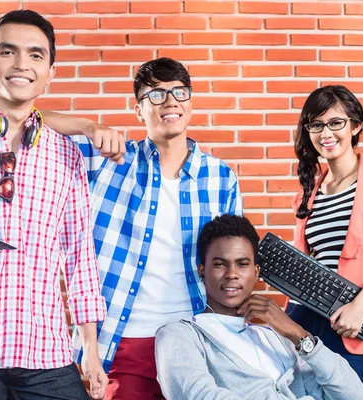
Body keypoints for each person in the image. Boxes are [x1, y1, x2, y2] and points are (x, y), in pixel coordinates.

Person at [42, 57, 242, 399]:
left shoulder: (221, 177)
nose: (170, 102)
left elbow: (231, 268)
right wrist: (89, 127)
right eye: (157, 94)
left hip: (194, 339)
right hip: (123, 342)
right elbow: (23, 120)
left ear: (190, 102)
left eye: (180, 92)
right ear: (138, 110)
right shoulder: (107, 161)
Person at [0, 10, 107, 400]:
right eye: (7, 52)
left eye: (35, 55)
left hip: (44, 346)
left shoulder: (66, 153)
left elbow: (79, 255)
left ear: (50, 71)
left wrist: (91, 350)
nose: (21, 65)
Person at [155, 214, 363, 399]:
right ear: (202, 271)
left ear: (256, 272)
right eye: (220, 264)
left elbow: (355, 395)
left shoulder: (275, 338)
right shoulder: (180, 335)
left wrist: (299, 335)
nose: (232, 274)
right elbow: (198, 395)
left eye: (242, 264)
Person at [287, 85, 363, 390]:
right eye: (316, 125)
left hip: (353, 319)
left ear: (355, 126)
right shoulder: (308, 191)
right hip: (306, 317)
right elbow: (306, 260)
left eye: (335, 123)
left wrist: (361, 305)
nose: (325, 133)